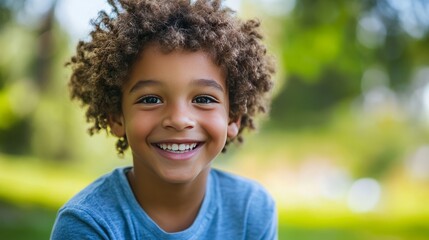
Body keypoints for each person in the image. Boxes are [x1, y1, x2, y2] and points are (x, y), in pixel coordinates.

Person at [51, 0, 276, 239]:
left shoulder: (251, 210)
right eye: (150, 100)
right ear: (116, 116)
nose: (179, 120)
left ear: (233, 117)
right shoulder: (88, 224)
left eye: (204, 99)